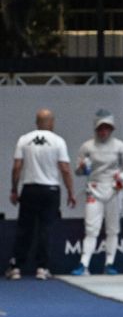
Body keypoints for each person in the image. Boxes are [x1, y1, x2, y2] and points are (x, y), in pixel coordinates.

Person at [6, 109, 74, 280]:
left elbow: (16, 167)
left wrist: (14, 189)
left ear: (36, 122)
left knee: (24, 228)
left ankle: (16, 267)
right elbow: (65, 169)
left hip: (30, 188)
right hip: (50, 190)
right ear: (51, 123)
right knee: (46, 229)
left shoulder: (24, 139)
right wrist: (70, 192)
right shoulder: (58, 141)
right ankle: (42, 268)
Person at [71, 110, 123, 276]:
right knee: (91, 229)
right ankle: (83, 264)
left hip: (113, 189)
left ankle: (110, 263)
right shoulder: (87, 146)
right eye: (101, 128)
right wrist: (83, 167)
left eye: (107, 128)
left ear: (112, 128)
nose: (104, 131)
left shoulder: (120, 146)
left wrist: (122, 175)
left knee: (113, 229)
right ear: (96, 128)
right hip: (94, 189)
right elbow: (78, 172)